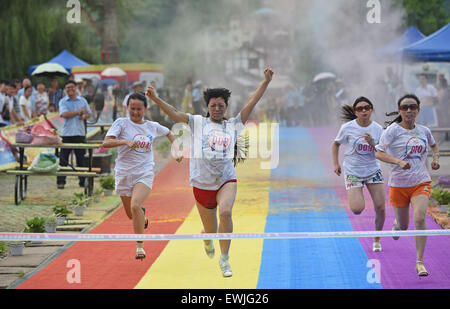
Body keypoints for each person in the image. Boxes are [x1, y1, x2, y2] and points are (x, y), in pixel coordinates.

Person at [146, 68, 274, 277]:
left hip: (226, 179)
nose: (217, 108)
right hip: (202, 184)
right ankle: (206, 236)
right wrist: (156, 98)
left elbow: (251, 102)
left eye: (220, 105)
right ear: (207, 107)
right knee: (212, 230)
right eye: (213, 105)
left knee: (225, 212)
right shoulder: (197, 122)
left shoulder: (234, 124)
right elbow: (174, 113)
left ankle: (224, 260)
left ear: (225, 107)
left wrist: (266, 82)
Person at [103, 92, 182, 260]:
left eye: (139, 109)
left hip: (144, 172)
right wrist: (124, 141)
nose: (136, 112)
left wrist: (176, 148)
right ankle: (142, 217)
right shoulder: (121, 123)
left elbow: (169, 132)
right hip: (124, 173)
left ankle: (140, 246)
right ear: (127, 108)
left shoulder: (151, 126)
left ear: (145, 109)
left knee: (135, 205)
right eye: (132, 109)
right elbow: (106, 143)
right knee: (132, 214)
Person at [375, 94, 440, 277]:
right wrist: (397, 162)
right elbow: (378, 153)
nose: (409, 110)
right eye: (405, 107)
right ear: (399, 111)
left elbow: (434, 146)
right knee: (404, 226)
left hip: (421, 182)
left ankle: (420, 262)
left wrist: (435, 159)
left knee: (419, 218)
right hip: (399, 185)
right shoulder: (393, 130)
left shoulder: (424, 130)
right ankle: (397, 224)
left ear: (418, 110)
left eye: (413, 107)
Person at [332, 97, 386, 252]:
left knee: (381, 208)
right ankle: (358, 197)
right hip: (353, 171)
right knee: (357, 209)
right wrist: (336, 164)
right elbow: (335, 144)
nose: (364, 111)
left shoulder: (377, 129)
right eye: (360, 108)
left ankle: (377, 239)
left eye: (367, 107)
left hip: (372, 170)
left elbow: (382, 151)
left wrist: (373, 144)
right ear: (355, 112)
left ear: (371, 110)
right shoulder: (347, 127)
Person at [57, 80, 93, 189]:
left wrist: (83, 116)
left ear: (75, 88)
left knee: (81, 159)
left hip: (80, 133)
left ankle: (82, 181)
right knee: (63, 159)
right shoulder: (63, 101)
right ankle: (61, 181)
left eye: (72, 87)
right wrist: (78, 112)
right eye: (67, 88)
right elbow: (65, 114)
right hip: (67, 134)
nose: (70, 89)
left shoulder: (83, 100)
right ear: (65, 90)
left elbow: (89, 114)